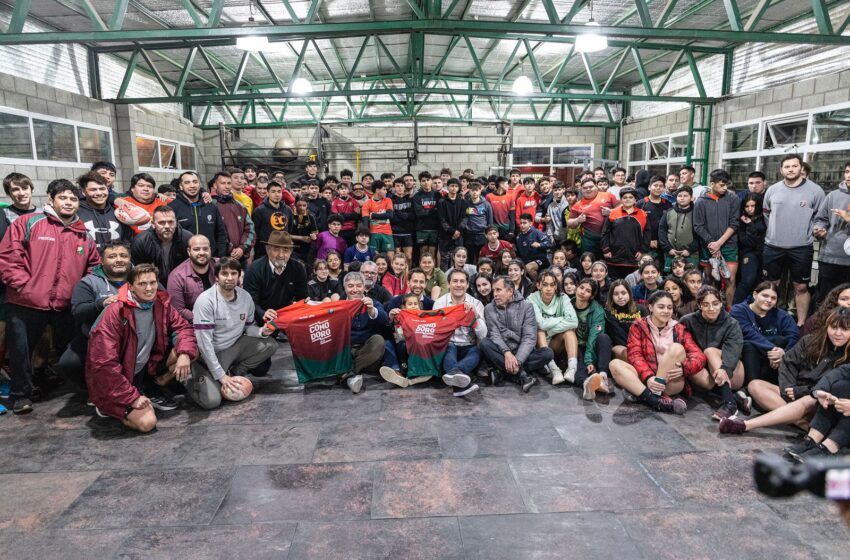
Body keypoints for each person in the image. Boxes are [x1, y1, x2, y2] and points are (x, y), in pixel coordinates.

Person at [0, 179, 101, 414]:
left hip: (65, 305)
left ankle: (86, 388)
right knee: (21, 351)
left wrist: (80, 294)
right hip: (26, 302)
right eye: (63, 198)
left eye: (73, 199)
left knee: (75, 349)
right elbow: (7, 257)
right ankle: (21, 395)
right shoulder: (29, 222)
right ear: (51, 200)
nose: (68, 202)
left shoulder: (82, 234)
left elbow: (93, 265)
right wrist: (24, 286)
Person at [85, 264, 196, 432]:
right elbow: (103, 364)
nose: (149, 288)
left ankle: (151, 389)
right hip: (118, 379)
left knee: (192, 349)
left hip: (144, 370)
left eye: (153, 282)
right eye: (142, 284)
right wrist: (131, 397)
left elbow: (184, 328)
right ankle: (110, 404)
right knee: (147, 423)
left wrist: (184, 354)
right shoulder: (116, 312)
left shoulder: (161, 304)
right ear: (131, 286)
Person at [721, 308, 850, 439]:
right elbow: (788, 362)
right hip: (793, 391)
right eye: (833, 327)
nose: (837, 333)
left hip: (821, 400)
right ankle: (802, 423)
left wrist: (800, 391)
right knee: (755, 385)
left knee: (810, 399)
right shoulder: (810, 341)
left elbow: (832, 386)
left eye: (844, 330)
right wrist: (788, 387)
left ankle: (746, 424)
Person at [189, 258, 277, 409]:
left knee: (269, 344)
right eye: (224, 273)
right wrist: (221, 377)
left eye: (233, 273)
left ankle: (236, 371)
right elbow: (205, 345)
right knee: (212, 401)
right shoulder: (206, 301)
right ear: (216, 277)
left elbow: (248, 328)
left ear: (239, 275)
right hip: (209, 355)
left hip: (233, 348)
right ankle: (191, 381)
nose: (229, 278)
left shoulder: (245, 297)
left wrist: (262, 331)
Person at [609, 290, 706, 415]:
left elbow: (699, 356)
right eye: (661, 307)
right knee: (615, 364)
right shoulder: (638, 326)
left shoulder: (679, 328)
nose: (666, 311)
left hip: (669, 382)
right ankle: (656, 401)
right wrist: (649, 377)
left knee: (676, 348)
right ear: (650, 307)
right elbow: (634, 354)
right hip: (646, 379)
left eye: (669, 307)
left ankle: (643, 394)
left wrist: (685, 368)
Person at [56, 241, 131, 393]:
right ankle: (94, 389)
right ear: (102, 261)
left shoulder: (142, 277)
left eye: (123, 255)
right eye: (112, 256)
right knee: (69, 363)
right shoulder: (88, 282)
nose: (119, 260)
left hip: (135, 337)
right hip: (96, 337)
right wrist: (101, 303)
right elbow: (78, 311)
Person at [762, 154, 826, 327]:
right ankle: (769, 320)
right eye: (787, 166)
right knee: (771, 285)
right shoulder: (773, 190)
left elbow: (821, 217)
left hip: (802, 247)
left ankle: (801, 323)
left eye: (794, 166)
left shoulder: (815, 191)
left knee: (801, 287)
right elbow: (766, 213)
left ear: (800, 168)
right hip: (773, 245)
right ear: (781, 170)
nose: (791, 169)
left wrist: (814, 229)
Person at [680, 286, 746, 420]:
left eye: (715, 304)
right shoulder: (687, 321)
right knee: (693, 359)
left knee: (709, 351)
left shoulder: (731, 323)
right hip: (707, 376)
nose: (711, 308)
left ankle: (729, 403)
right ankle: (735, 397)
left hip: (731, 371)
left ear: (721, 303)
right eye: (706, 304)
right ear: (699, 305)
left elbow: (734, 351)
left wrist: (725, 369)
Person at [480, 276, 552, 393]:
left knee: (547, 353)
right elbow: (495, 335)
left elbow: (529, 338)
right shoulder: (489, 308)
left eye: (498, 290)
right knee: (484, 343)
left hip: (521, 352)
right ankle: (522, 376)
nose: (495, 294)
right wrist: (507, 353)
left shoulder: (526, 306)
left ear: (510, 291)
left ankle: (502, 371)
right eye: (494, 290)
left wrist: (517, 360)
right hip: (502, 352)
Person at [430, 269, 487, 396]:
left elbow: (483, 335)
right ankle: (461, 383)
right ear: (449, 284)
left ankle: (453, 373)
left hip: (469, 345)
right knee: (448, 349)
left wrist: (475, 317)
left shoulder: (476, 304)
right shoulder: (439, 303)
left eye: (462, 281)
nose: (458, 284)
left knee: (477, 352)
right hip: (448, 343)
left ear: (467, 285)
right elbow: (435, 331)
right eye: (455, 281)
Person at [730, 281, 800, 384]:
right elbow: (748, 334)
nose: (769, 300)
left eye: (773, 298)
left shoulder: (782, 316)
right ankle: (752, 386)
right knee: (750, 344)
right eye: (765, 296)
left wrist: (783, 354)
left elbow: (793, 337)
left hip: (774, 363)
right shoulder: (739, 310)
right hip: (746, 358)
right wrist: (773, 349)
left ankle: (758, 389)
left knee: (781, 341)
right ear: (755, 294)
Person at [693, 169, 740, 306]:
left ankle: (730, 311)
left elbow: (734, 222)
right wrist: (712, 243)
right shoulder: (701, 202)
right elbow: (698, 226)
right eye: (721, 185)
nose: (725, 188)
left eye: (726, 184)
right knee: (710, 280)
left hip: (729, 245)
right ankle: (711, 308)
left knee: (730, 280)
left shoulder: (733, 199)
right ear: (712, 184)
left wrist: (719, 243)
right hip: (708, 246)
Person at [340, 271, 390, 393]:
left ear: (364, 287)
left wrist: (372, 311)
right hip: (347, 352)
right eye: (350, 286)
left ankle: (348, 373)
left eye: (358, 285)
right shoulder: (339, 305)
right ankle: (351, 372)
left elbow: (385, 320)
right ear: (344, 288)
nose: (355, 290)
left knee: (378, 340)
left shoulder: (373, 303)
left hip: (369, 354)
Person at [243, 231, 308, 325]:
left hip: (287, 319)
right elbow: (250, 303)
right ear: (268, 249)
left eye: (286, 250)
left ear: (291, 252)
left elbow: (302, 298)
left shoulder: (298, 269)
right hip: (259, 321)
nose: (281, 255)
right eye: (276, 249)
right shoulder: (254, 269)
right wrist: (262, 313)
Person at [527, 270, 579, 385]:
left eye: (552, 285)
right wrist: (561, 318)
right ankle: (554, 370)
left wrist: (548, 330)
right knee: (540, 331)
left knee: (570, 331)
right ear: (538, 285)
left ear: (556, 286)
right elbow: (541, 324)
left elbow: (574, 321)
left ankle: (572, 369)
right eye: (545, 285)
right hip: (539, 346)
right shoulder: (531, 299)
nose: (549, 289)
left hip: (555, 343)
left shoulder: (563, 297)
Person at [813, 162, 850, 304]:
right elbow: (820, 219)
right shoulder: (833, 196)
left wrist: (848, 219)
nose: (849, 175)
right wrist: (819, 229)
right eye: (847, 171)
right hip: (830, 257)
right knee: (825, 299)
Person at [169, 171, 229, 258]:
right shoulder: (172, 208)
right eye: (187, 182)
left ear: (199, 184)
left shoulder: (211, 206)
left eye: (195, 182)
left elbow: (221, 234)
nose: (192, 185)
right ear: (181, 186)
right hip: (182, 260)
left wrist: (220, 257)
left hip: (209, 259)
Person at [130, 206, 192, 285]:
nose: (167, 226)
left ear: (176, 222)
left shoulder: (187, 239)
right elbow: (136, 272)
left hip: (182, 282)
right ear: (153, 224)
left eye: (171, 222)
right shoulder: (140, 242)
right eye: (161, 223)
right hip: (152, 284)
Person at [601, 187, 650, 279]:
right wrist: (606, 249)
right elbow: (605, 233)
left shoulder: (643, 214)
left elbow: (647, 234)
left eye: (631, 197)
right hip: (614, 257)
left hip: (634, 258)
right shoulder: (613, 213)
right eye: (625, 197)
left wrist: (642, 250)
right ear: (621, 199)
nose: (628, 199)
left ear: (635, 199)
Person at [166, 235, 217, 323]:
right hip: (193, 324)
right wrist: (205, 321)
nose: (202, 253)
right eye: (196, 249)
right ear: (189, 251)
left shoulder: (221, 266)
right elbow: (178, 309)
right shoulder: (176, 276)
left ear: (210, 250)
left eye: (205, 249)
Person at [76, 171, 131, 252]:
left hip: (115, 262)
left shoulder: (118, 212)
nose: (99, 193)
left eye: (102, 189)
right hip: (88, 263)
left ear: (107, 189)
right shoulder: (76, 213)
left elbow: (126, 241)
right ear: (84, 192)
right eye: (93, 190)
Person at [567, 178, 617, 259]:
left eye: (591, 187)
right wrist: (577, 220)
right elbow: (569, 223)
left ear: (596, 186)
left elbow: (622, 207)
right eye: (585, 188)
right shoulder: (578, 205)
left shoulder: (608, 195)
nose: (588, 189)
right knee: (589, 263)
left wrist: (611, 211)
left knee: (610, 264)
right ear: (581, 189)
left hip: (610, 237)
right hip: (589, 240)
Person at [733, 192, 767, 304]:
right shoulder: (742, 221)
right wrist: (750, 225)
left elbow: (761, 239)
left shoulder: (764, 219)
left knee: (757, 283)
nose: (750, 209)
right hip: (747, 254)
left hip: (762, 255)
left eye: (753, 206)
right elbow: (747, 241)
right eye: (747, 206)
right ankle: (734, 307)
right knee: (747, 280)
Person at [605, 279, 647, 361]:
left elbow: (648, 330)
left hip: (642, 345)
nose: (620, 297)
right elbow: (616, 334)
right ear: (611, 296)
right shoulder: (608, 312)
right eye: (616, 294)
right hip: (622, 348)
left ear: (629, 294)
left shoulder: (640, 309)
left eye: (623, 293)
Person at [659, 185, 698, 273]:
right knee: (670, 279)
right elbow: (662, 231)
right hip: (671, 253)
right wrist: (668, 249)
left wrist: (690, 250)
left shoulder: (697, 213)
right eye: (680, 196)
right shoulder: (668, 212)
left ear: (691, 198)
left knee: (690, 278)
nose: (682, 198)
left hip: (691, 254)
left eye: (685, 196)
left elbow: (700, 234)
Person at [252, 181, 294, 260]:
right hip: (263, 253)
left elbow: (289, 229)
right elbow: (255, 233)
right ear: (267, 193)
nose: (277, 194)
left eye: (279, 191)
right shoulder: (259, 210)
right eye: (273, 191)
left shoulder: (288, 210)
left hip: (283, 251)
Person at [636, 176, 672, 263]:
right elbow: (637, 226)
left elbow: (670, 225)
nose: (658, 188)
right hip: (644, 245)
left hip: (663, 244)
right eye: (655, 185)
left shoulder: (668, 204)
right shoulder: (640, 204)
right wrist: (648, 240)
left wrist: (662, 242)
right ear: (649, 187)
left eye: (661, 186)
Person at [436, 178, 468, 270]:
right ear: (448, 187)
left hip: (459, 235)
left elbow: (465, 217)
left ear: (459, 188)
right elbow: (441, 219)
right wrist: (451, 231)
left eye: (456, 186)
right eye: (452, 186)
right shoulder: (442, 201)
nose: (454, 188)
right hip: (445, 236)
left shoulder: (462, 201)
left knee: (458, 259)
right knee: (445, 260)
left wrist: (458, 231)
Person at [361, 182, 395, 258]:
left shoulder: (388, 200)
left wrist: (373, 215)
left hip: (387, 233)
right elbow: (365, 221)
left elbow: (390, 215)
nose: (386, 191)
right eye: (384, 189)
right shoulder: (367, 203)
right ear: (377, 190)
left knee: (390, 257)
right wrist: (366, 236)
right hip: (373, 233)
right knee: (374, 257)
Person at [413, 171, 441, 259]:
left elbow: (440, 211)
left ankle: (432, 272)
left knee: (433, 253)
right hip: (422, 228)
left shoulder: (437, 195)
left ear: (431, 181)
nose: (426, 182)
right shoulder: (417, 196)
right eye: (423, 181)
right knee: (423, 252)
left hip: (435, 228)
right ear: (420, 183)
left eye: (428, 180)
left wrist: (427, 211)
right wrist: (434, 210)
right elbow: (419, 213)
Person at [515, 213, 551, 280]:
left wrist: (540, 245)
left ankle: (539, 285)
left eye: (524, 223)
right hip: (526, 262)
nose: (522, 225)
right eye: (521, 223)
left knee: (529, 267)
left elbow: (549, 243)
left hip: (541, 260)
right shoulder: (518, 237)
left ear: (530, 223)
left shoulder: (537, 233)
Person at [464, 181, 493, 261]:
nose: (474, 192)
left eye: (476, 190)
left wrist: (488, 234)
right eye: (472, 190)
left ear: (480, 191)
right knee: (469, 259)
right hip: (468, 235)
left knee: (481, 259)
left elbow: (490, 221)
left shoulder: (486, 204)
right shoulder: (465, 204)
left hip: (481, 235)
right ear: (469, 191)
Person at [388, 179, 414, 262]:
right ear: (394, 187)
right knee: (397, 257)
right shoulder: (390, 200)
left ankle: (407, 274)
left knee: (408, 257)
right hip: (395, 231)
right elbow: (391, 216)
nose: (400, 188)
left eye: (401, 186)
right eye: (397, 186)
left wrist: (401, 214)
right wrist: (404, 215)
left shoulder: (410, 199)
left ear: (404, 187)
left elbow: (413, 215)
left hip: (407, 231)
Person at [288, 197, 318, 264]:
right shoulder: (290, 216)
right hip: (293, 249)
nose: (302, 208)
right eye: (299, 205)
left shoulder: (311, 217)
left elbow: (315, 232)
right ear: (295, 205)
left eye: (304, 205)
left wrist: (313, 236)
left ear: (307, 205)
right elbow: (285, 235)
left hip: (307, 249)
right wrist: (301, 238)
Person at [332, 182, 361, 248]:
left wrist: (342, 214)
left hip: (352, 229)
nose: (344, 190)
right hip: (340, 230)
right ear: (338, 191)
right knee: (341, 248)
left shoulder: (354, 201)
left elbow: (356, 216)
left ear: (348, 190)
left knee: (352, 247)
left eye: (345, 189)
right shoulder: (335, 202)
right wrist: (350, 215)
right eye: (342, 189)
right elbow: (337, 217)